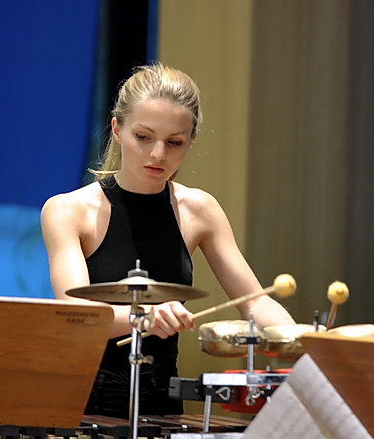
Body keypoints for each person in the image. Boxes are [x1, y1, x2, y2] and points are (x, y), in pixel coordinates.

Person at [40, 63, 295, 419]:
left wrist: (306, 343)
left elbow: (255, 302)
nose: (158, 154)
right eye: (143, 137)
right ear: (117, 129)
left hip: (164, 407)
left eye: (174, 142)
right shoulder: (68, 210)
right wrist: (144, 315)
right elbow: (77, 317)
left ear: (191, 139)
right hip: (85, 408)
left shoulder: (200, 210)